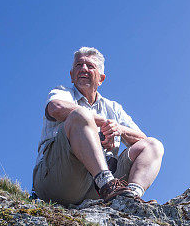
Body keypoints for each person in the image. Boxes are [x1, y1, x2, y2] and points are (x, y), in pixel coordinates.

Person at [32, 47, 165, 205]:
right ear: (71, 76)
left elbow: (142, 139)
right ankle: (107, 185)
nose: (83, 69)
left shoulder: (113, 107)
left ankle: (130, 198)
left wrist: (119, 130)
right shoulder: (63, 93)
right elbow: (55, 108)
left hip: (94, 190)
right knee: (81, 114)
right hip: (59, 181)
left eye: (90, 66)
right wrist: (104, 123)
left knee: (153, 145)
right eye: (78, 65)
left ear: (101, 79)